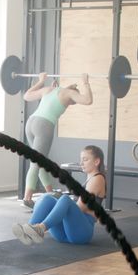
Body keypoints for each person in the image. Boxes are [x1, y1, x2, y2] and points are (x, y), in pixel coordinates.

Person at [21, 73, 93, 209]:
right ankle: (27, 198)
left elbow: (26, 96)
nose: (72, 103)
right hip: (44, 125)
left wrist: (41, 81)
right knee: (36, 163)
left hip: (31, 123)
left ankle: (49, 192)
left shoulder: (50, 89)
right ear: (73, 94)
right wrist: (86, 82)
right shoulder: (70, 94)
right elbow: (88, 100)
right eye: (74, 101)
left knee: (40, 160)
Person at [13, 145, 107, 246]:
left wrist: (63, 204)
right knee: (48, 198)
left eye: (85, 160)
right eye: (81, 160)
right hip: (65, 232)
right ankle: (30, 231)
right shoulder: (90, 179)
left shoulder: (98, 179)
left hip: (81, 234)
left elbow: (80, 207)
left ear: (96, 162)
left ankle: (40, 228)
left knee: (65, 199)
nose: (81, 163)